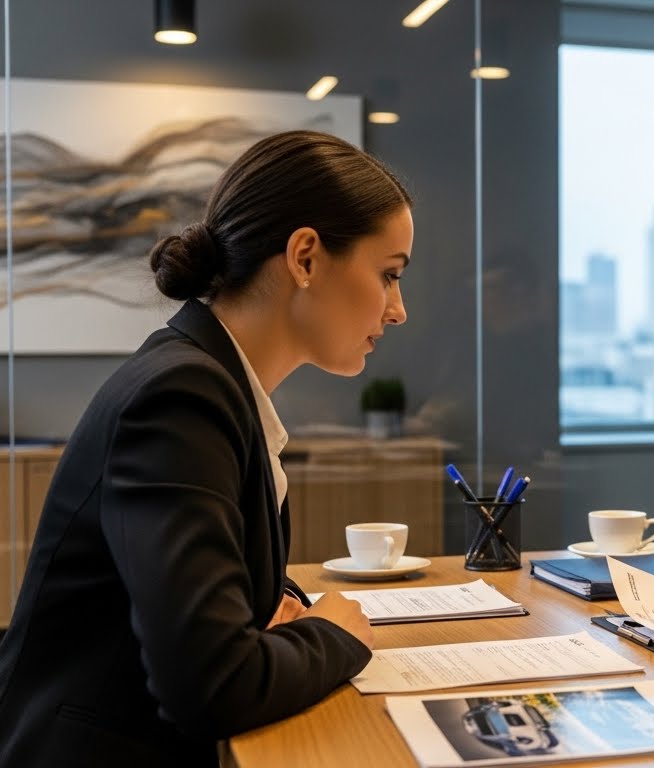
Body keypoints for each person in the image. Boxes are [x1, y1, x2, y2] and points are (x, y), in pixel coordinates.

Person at [0, 130, 413, 765]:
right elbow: (213, 686)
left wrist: (276, 613)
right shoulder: (182, 396)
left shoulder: (208, 380)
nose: (397, 310)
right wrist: (334, 633)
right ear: (305, 257)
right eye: (388, 276)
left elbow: (222, 616)